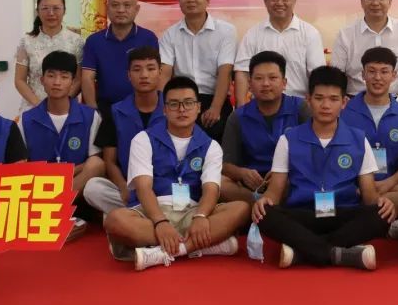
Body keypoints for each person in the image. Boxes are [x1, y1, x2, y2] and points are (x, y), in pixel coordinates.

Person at [252, 66, 396, 270]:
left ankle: (305, 251)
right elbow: (274, 193)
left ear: (344, 102)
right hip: (303, 214)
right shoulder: (288, 139)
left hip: (343, 213)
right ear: (308, 100)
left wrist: (382, 202)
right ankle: (338, 252)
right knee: (264, 213)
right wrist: (265, 200)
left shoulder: (358, 139)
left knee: (382, 214)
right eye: (319, 98)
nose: (326, 105)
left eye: (333, 99)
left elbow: (369, 196)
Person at [103, 76, 251, 270]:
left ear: (198, 107)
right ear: (164, 109)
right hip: (153, 212)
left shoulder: (211, 146)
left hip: (192, 212)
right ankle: (201, 246)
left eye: (188, 103)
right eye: (174, 104)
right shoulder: (143, 139)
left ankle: (166, 252)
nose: (182, 109)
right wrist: (160, 222)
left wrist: (201, 216)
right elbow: (143, 188)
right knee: (115, 220)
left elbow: (211, 189)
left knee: (241, 208)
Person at [18, 51, 107, 234]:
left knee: (97, 164)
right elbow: (21, 166)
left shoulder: (90, 116)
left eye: (64, 77)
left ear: (73, 82)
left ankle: (56, 209)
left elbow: (95, 162)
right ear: (42, 80)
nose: (57, 82)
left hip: (76, 186)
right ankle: (58, 215)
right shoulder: (26, 120)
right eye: (51, 76)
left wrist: (65, 174)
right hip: (40, 186)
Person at [83, 46, 165, 215]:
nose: (144, 75)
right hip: (130, 189)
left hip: (165, 188)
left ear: (160, 72)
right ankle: (142, 214)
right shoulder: (116, 111)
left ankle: (134, 217)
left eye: (150, 69)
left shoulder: (173, 109)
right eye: (137, 69)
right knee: (93, 188)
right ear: (128, 75)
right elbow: (110, 161)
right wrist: (123, 187)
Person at [220, 51, 309, 204]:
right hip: (253, 186)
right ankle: (262, 201)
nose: (266, 84)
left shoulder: (301, 108)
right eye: (259, 78)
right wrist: (242, 173)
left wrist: (283, 173)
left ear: (284, 83)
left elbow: (313, 154)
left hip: (290, 179)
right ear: (250, 83)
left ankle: (264, 203)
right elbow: (226, 165)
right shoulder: (238, 117)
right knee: (220, 184)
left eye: (273, 78)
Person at [158, 0, 237, 139]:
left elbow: (225, 72)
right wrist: (162, 108)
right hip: (181, 99)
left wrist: (215, 108)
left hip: (214, 97)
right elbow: (164, 73)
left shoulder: (226, 31)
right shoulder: (169, 34)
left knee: (217, 136)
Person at [340, 47, 398, 213]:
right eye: (372, 71)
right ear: (363, 74)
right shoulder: (343, 113)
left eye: (384, 71)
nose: (378, 78)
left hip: (391, 188)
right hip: (353, 188)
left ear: (394, 75)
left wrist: (389, 183)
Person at [233, 0, 325, 104]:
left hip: (298, 103)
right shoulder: (253, 34)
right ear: (265, 0)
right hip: (261, 104)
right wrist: (241, 108)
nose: (280, 3)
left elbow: (317, 75)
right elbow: (243, 72)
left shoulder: (310, 33)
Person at [81, 0, 159, 114]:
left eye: (127, 5)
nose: (121, 10)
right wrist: (93, 111)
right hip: (105, 108)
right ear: (107, 8)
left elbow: (156, 76)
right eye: (115, 5)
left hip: (141, 108)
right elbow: (87, 78)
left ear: (137, 9)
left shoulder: (148, 38)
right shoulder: (94, 41)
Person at [14, 0, 84, 114]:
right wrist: (39, 105)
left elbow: (78, 79)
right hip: (33, 107)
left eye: (56, 8)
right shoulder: (26, 41)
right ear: (38, 12)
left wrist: (62, 102)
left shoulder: (76, 41)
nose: (51, 13)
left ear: (64, 10)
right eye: (45, 8)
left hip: (67, 109)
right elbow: (20, 80)